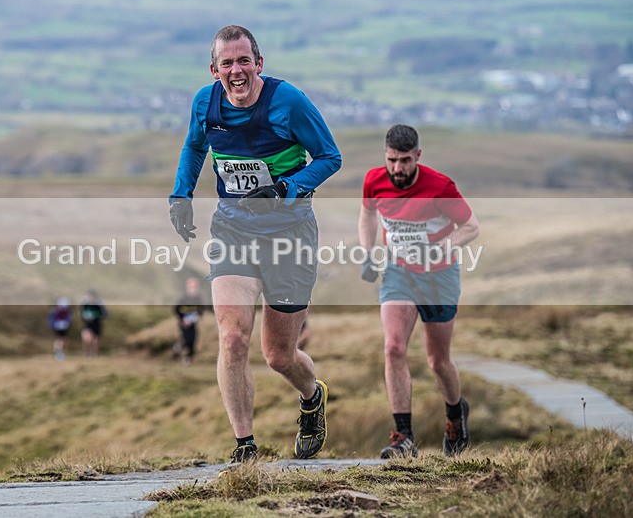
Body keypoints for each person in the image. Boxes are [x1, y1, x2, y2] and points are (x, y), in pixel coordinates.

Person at [169, 25, 341, 462]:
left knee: (279, 356)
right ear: (214, 70)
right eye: (227, 63)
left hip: (290, 235)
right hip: (234, 231)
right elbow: (194, 148)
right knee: (232, 338)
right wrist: (181, 196)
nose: (236, 70)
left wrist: (285, 189)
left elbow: (329, 157)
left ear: (259, 64)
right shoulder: (204, 103)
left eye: (244, 60)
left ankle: (311, 395)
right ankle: (245, 446)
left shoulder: (288, 101)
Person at [357, 124, 480, 458]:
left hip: (439, 277)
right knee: (394, 347)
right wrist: (368, 252)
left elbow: (471, 227)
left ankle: (455, 413)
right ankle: (403, 437)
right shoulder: (374, 180)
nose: (397, 168)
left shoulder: (440, 186)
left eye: (405, 161)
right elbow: (368, 213)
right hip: (398, 272)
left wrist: (439, 250)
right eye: (392, 160)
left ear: (418, 156)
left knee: (437, 361)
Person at [173, 277, 208, 365]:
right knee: (186, 340)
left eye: (194, 286)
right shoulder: (183, 298)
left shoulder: (198, 298)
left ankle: (187, 358)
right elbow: (176, 309)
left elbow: (201, 309)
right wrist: (182, 320)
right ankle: (178, 348)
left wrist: (200, 317)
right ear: (187, 287)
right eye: (191, 286)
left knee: (193, 341)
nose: (193, 288)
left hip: (193, 323)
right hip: (184, 324)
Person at [80, 290, 108, 358]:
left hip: (96, 324)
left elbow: (105, 314)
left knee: (95, 341)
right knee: (87, 339)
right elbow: (82, 313)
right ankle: (87, 353)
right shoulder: (85, 304)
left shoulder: (99, 305)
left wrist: (97, 316)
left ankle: (94, 354)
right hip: (88, 324)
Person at [48, 297, 72, 361]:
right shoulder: (54, 311)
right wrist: (53, 325)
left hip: (64, 327)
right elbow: (51, 320)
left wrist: (68, 324)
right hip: (57, 327)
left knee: (63, 340)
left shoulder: (66, 311)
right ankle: (58, 353)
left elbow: (69, 319)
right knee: (59, 340)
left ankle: (60, 353)